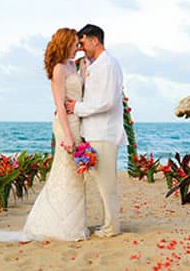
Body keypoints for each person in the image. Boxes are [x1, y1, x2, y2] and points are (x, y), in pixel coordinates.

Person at [0, 28, 89, 242]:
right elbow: (59, 104)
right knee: (64, 172)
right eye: (75, 43)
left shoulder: (73, 64)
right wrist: (67, 135)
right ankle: (58, 225)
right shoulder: (58, 69)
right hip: (65, 124)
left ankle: (73, 223)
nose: (78, 47)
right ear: (65, 43)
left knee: (75, 175)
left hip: (78, 122)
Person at [66, 24, 126, 238]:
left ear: (95, 40)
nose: (81, 48)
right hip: (92, 131)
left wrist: (78, 108)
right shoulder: (94, 65)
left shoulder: (108, 64)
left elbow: (108, 101)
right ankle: (108, 223)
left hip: (104, 131)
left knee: (106, 183)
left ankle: (111, 227)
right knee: (100, 183)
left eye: (82, 43)